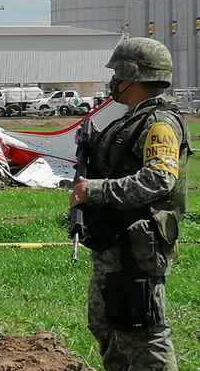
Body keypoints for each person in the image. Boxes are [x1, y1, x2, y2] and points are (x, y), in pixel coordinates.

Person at [70, 37, 192, 370]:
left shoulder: (159, 124)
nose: (113, 82)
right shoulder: (132, 119)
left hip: (138, 245)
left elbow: (158, 179)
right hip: (116, 241)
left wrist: (95, 190)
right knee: (106, 325)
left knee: (142, 329)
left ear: (131, 76)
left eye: (117, 74)